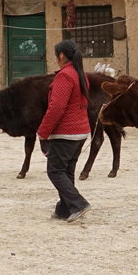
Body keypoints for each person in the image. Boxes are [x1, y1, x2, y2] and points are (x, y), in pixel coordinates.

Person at [36, 39, 92, 223]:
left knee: (55, 171)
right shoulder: (79, 74)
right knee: (67, 171)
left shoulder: (65, 76)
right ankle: (64, 209)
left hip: (66, 132)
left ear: (61, 55)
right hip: (81, 131)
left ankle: (78, 203)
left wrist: (43, 131)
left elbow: (56, 107)